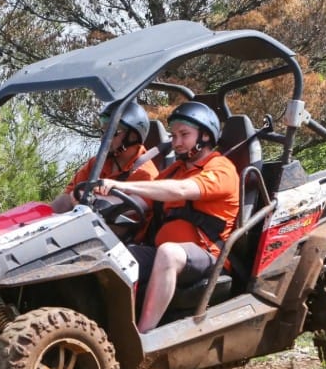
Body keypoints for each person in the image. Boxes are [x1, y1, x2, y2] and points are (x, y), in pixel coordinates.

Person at [93, 101, 238, 332]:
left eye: (184, 135)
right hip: (161, 250)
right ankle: (110, 329)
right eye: (173, 135)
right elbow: (142, 202)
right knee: (116, 254)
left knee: (169, 252)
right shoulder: (173, 171)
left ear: (206, 137)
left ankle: (142, 335)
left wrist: (123, 186)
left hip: (207, 254)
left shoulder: (221, 168)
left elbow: (181, 190)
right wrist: (101, 204)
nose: (177, 142)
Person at [51, 101, 159, 213]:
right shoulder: (97, 163)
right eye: (103, 131)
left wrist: (92, 200)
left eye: (113, 132)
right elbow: (68, 196)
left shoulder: (146, 174)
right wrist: (46, 216)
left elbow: (132, 210)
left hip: (115, 229)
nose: (103, 139)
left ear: (132, 137)